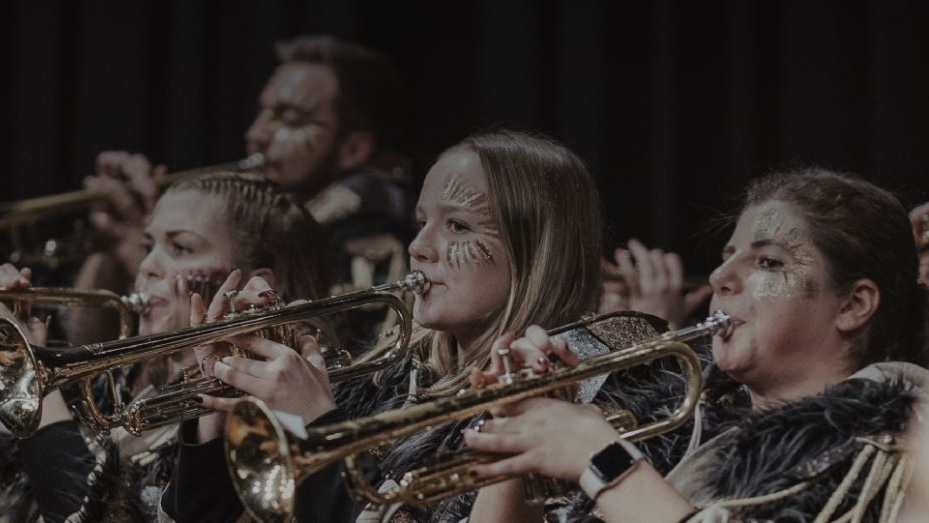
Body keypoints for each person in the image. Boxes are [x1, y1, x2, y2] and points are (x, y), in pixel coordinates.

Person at [159, 130, 670, 522]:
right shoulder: (387, 381)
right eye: (421, 221)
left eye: (458, 226)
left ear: (535, 249)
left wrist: (317, 423)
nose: (418, 246)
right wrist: (219, 407)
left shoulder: (597, 379)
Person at [463, 169, 929, 522]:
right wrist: (518, 436)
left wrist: (598, 456)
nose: (719, 278)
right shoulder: (675, 429)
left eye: (767, 261)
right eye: (727, 258)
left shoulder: (898, 441)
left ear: (853, 304)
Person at [0, 172, 331, 522]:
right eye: (147, 247)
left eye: (181, 248)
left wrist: (33, 386)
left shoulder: (263, 412)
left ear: (258, 282)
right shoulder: (113, 386)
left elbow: (92, 512)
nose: (146, 266)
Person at [80, 34, 412, 347]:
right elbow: (87, 349)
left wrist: (138, 252)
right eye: (262, 113)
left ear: (352, 149)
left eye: (290, 119)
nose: (255, 134)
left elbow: (334, 366)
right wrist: (111, 244)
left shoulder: (368, 244)